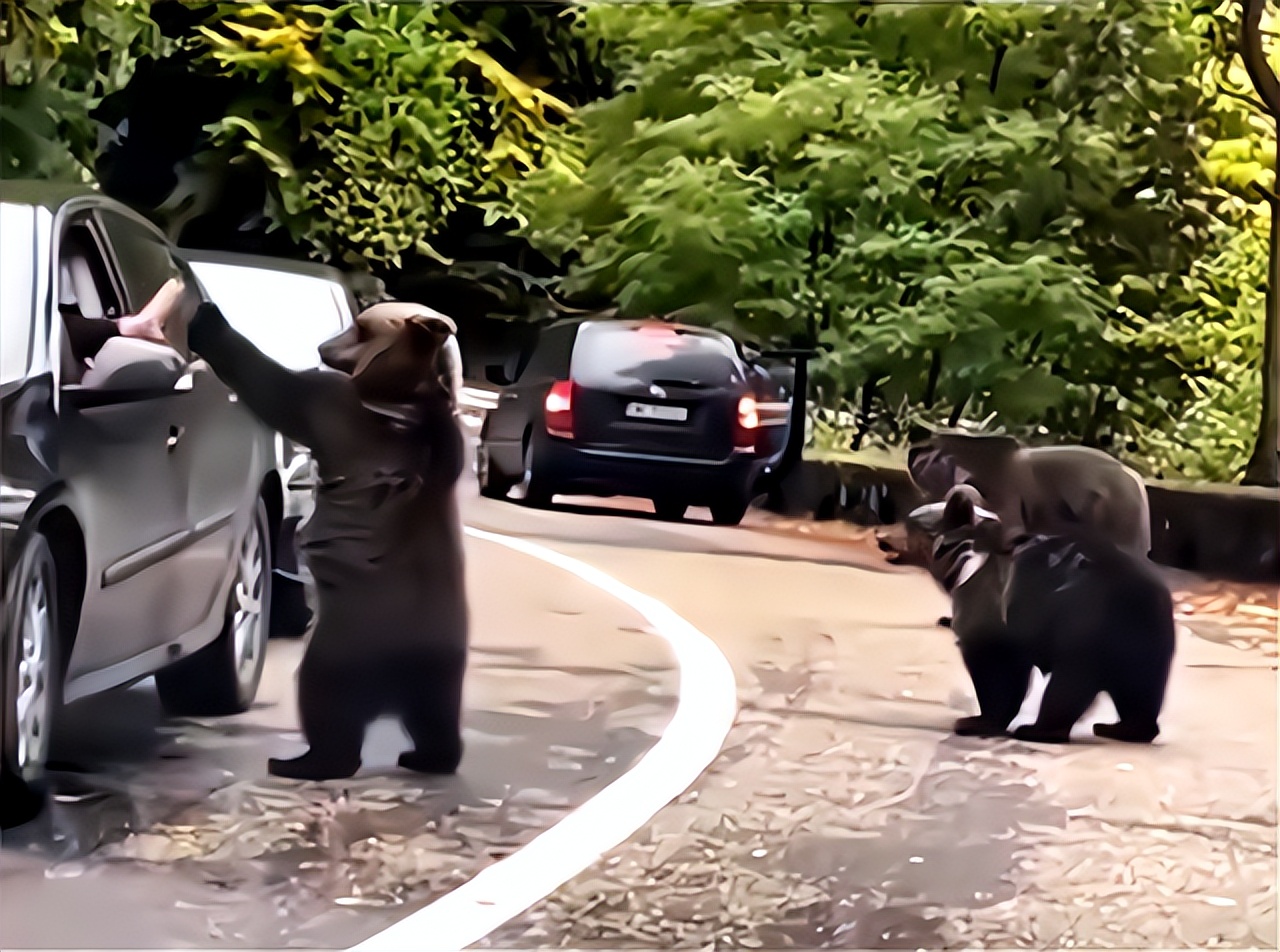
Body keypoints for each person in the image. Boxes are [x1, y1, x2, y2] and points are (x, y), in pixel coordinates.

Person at [118, 282, 470, 781]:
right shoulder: (442, 428)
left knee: (330, 673)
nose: (338, 346)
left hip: (361, 598)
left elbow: (260, 381)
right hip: (436, 609)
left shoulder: (335, 404)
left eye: (360, 335)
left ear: (387, 349)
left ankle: (332, 752)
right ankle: (437, 745)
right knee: (433, 674)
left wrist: (204, 325)